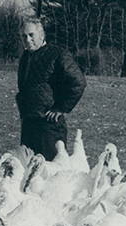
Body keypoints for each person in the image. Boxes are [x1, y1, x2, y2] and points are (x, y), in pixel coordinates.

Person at [15, 17, 86, 161]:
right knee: (27, 172)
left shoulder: (58, 54)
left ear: (41, 35)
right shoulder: (26, 57)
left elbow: (78, 82)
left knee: (49, 172)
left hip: (49, 126)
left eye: (31, 35)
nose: (27, 39)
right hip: (29, 125)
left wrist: (61, 107)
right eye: (24, 36)